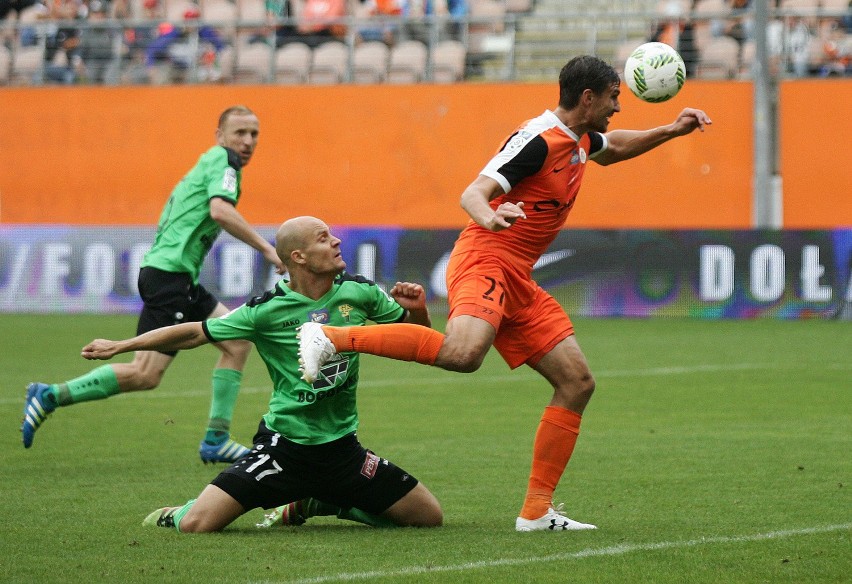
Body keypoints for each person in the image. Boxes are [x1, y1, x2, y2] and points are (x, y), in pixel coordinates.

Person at [297, 55, 712, 532]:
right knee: (463, 353)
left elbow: (613, 147)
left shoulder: (577, 140)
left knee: (576, 382)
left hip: (518, 274)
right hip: (486, 256)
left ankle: (536, 510)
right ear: (588, 98)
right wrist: (489, 216)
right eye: (615, 97)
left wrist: (671, 130)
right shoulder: (537, 140)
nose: (619, 107)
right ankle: (330, 337)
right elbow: (473, 191)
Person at [79, 216, 443, 532]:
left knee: (429, 517)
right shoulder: (265, 311)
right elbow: (194, 332)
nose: (335, 241)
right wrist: (121, 345)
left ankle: (323, 502)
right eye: (322, 237)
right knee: (197, 525)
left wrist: (418, 310)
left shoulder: (359, 292)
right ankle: (177, 512)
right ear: (298, 257)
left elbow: (415, 339)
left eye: (332, 234)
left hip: (343, 451)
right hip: (283, 451)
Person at [21, 105, 285, 465]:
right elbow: (220, 211)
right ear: (220, 136)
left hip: (179, 277)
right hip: (169, 277)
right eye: (240, 132)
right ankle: (50, 395)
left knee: (237, 342)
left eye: (254, 134)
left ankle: (216, 439)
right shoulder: (223, 161)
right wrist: (268, 249)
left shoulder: (212, 161)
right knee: (145, 374)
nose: (248, 141)